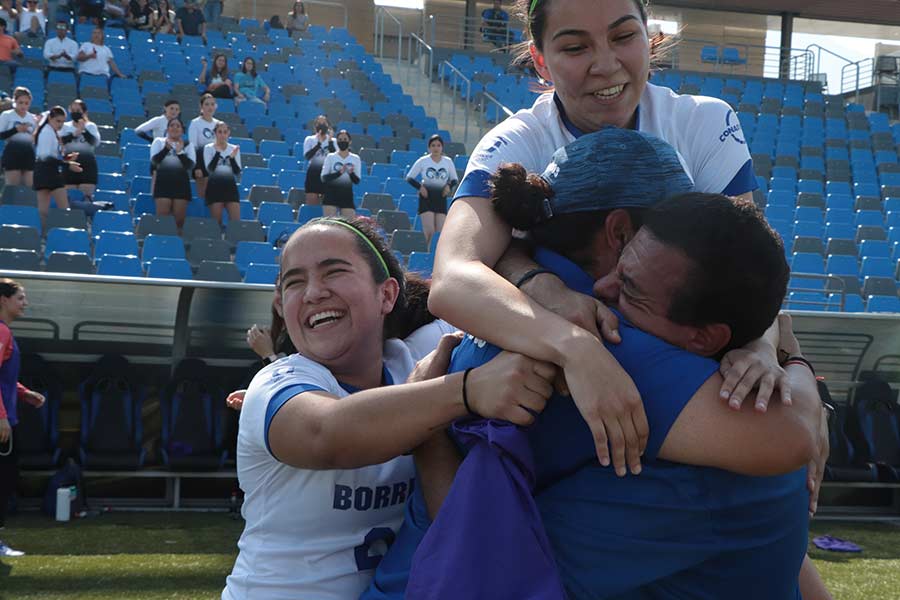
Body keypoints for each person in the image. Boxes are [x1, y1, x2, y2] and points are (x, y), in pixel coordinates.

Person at [364, 129, 829, 600]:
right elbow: (790, 438)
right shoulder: (614, 343)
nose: (609, 290)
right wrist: (791, 363)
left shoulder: (510, 306)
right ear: (621, 231)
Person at [428, 0, 760, 476]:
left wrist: (779, 361)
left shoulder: (703, 123)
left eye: (624, 37)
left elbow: (747, 270)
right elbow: (453, 278)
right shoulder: (518, 141)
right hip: (553, 408)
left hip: (674, 378)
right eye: (575, 46)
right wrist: (574, 346)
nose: (605, 65)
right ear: (540, 59)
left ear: (651, 38)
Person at [221, 216, 555, 599]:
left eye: (334, 272)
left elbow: (485, 276)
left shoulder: (409, 358)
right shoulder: (275, 384)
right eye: (295, 282)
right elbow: (326, 433)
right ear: (282, 305)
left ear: (387, 295)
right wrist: (465, 390)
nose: (313, 292)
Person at [0, 279, 46, 558]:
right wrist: (2, 417)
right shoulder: (1, 332)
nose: (25, 303)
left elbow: (4, 378)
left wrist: (24, 392)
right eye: (20, 298)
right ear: (3, 300)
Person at [404, 134, 458, 247]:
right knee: (429, 231)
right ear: (429, 148)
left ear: (442, 147)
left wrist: (448, 186)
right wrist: (420, 187)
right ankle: (428, 254)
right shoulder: (423, 161)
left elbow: (454, 179)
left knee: (439, 232)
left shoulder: (448, 161)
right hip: (426, 198)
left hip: (440, 198)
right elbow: (409, 178)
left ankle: (435, 257)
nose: (436, 148)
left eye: (438, 145)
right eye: (433, 145)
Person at [33, 106, 81, 223]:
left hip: (48, 171)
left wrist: (66, 158)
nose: (60, 124)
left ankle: (51, 235)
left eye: (63, 121)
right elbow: (45, 157)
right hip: (46, 172)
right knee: (56, 210)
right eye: (58, 121)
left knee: (49, 211)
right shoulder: (46, 132)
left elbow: (52, 155)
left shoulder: (52, 132)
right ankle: (47, 235)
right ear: (50, 118)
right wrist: (67, 164)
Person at [150, 118, 195, 230]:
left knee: (179, 221)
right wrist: (166, 149)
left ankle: (176, 243)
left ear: (182, 130)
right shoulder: (159, 141)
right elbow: (155, 161)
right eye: (172, 125)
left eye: (178, 126)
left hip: (181, 185)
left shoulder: (188, 145)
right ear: (167, 129)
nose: (175, 128)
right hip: (163, 184)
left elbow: (189, 166)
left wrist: (180, 152)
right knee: (162, 218)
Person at [61, 99, 100, 199]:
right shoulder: (65, 126)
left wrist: (84, 131)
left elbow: (96, 142)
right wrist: (74, 134)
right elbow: (59, 142)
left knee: (85, 198)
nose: (75, 113)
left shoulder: (91, 126)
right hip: (70, 164)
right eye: (73, 110)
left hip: (87, 166)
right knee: (68, 198)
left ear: (84, 112)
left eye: (78, 111)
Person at [203, 121, 240, 225]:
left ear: (228, 133)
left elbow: (237, 171)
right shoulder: (208, 148)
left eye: (225, 132)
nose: (222, 135)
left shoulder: (234, 149)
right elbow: (210, 169)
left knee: (235, 222)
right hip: (215, 187)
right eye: (220, 132)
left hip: (230, 187)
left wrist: (232, 158)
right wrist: (217, 153)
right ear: (215, 133)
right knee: (216, 222)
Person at [0, 87, 38, 187]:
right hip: (12, 153)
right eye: (20, 102)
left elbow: (36, 139)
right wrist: (16, 130)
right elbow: (1, 135)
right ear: (15, 101)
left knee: (29, 188)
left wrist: (38, 128)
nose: (23, 106)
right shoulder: (6, 115)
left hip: (28, 154)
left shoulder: (32, 118)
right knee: (12, 188)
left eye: (26, 103)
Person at [320, 130, 361, 218]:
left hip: (347, 196)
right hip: (330, 196)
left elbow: (357, 181)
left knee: (348, 227)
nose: (342, 141)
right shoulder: (331, 157)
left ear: (350, 141)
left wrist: (351, 173)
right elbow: (324, 178)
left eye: (345, 139)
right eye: (340, 139)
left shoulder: (355, 158)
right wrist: (339, 173)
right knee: (330, 225)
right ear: (337, 142)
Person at [188, 93, 219, 199]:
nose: (210, 107)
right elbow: (193, 147)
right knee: (203, 195)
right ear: (201, 107)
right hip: (201, 162)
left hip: (215, 162)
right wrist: (197, 167)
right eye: (207, 104)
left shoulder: (218, 124)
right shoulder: (195, 123)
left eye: (212, 104)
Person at [303, 115, 334, 206]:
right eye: (319, 123)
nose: (321, 125)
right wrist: (319, 144)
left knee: (328, 206)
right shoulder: (310, 139)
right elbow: (307, 156)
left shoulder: (334, 141)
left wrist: (330, 141)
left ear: (328, 126)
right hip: (313, 174)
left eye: (324, 123)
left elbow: (335, 156)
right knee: (312, 205)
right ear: (315, 125)